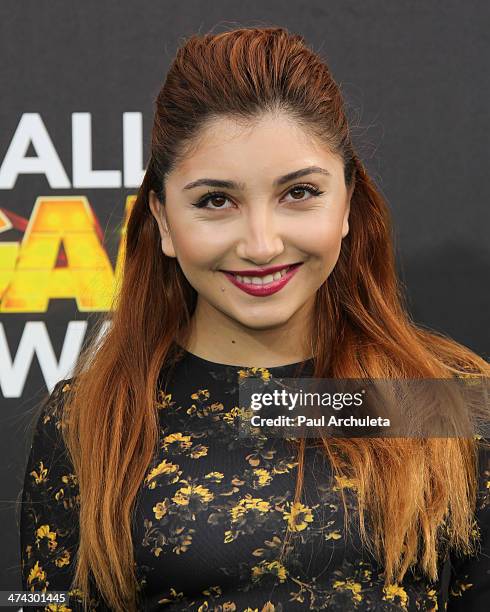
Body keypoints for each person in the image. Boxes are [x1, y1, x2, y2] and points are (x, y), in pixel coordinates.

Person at [19, 26, 489, 612]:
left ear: (347, 202)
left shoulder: (447, 400)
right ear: (162, 220)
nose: (262, 245)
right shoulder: (87, 423)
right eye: (216, 201)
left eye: (298, 193)